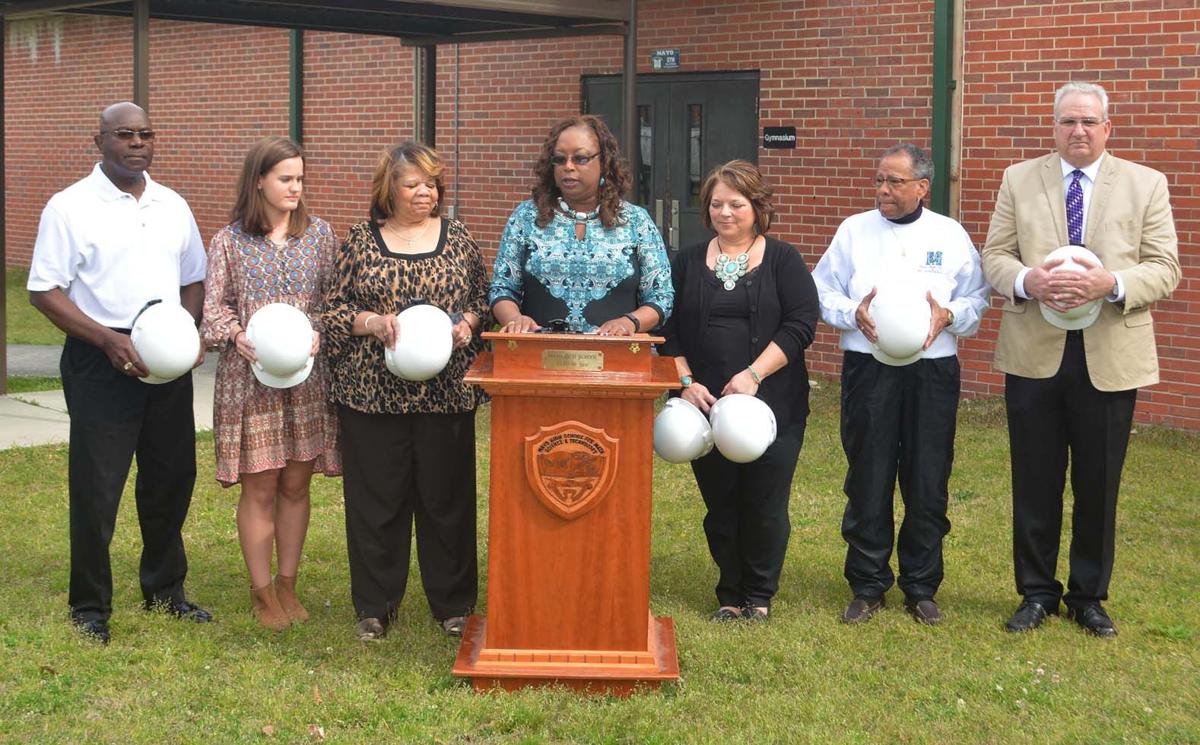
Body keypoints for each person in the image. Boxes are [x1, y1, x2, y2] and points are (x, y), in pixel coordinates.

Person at [982, 82, 1180, 638]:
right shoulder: (1019, 179)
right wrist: (1028, 279)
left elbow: (1165, 266)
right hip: (1034, 354)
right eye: (1069, 121)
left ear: (1107, 127)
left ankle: (1088, 596)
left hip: (1111, 356)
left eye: (1090, 121)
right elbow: (994, 254)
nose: (1079, 131)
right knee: (1035, 481)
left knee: (1099, 483)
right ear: (1054, 126)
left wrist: (1110, 282)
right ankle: (1037, 593)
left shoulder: (1146, 184)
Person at [27, 102, 212, 644]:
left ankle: (165, 590)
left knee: (171, 478)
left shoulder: (171, 204)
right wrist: (107, 340)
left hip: (165, 362)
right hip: (99, 359)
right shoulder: (69, 207)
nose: (137, 143)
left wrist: (186, 331)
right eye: (124, 134)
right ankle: (89, 606)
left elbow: (194, 278)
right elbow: (44, 290)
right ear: (99, 141)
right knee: (98, 487)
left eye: (145, 134)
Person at [812, 143, 989, 626]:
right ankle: (868, 584)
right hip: (869, 369)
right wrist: (854, 313)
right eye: (878, 180)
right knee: (868, 475)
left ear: (922, 187)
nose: (883, 190)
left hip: (932, 371)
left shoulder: (949, 235)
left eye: (893, 182)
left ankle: (921, 585)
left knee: (928, 477)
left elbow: (977, 296)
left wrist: (950, 315)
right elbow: (821, 288)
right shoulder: (854, 231)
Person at [322, 141, 488, 641]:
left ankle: (454, 605)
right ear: (388, 189)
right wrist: (371, 321)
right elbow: (333, 312)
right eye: (413, 183)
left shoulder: (457, 238)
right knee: (377, 502)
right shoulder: (360, 239)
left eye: (432, 183)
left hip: (446, 396)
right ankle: (375, 606)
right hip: (372, 396)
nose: (425, 193)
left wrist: (470, 323)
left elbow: (483, 295)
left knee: (447, 501)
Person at [660, 160, 819, 622]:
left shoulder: (783, 259)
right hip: (703, 405)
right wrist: (685, 382)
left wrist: (753, 374)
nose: (725, 213)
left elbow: (801, 323)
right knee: (721, 505)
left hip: (772, 404)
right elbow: (666, 328)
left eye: (736, 204)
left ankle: (760, 594)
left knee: (765, 503)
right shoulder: (687, 261)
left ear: (758, 207)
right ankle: (730, 593)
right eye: (716, 204)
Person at [200, 136, 341, 631]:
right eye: (286, 179)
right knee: (260, 485)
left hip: (306, 378)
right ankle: (261, 592)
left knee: (297, 483)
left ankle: (287, 583)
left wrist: (321, 331)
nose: (295, 188)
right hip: (250, 379)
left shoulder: (321, 237)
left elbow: (333, 299)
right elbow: (212, 308)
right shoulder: (229, 241)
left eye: (300, 179)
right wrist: (236, 334)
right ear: (259, 180)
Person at [489, 114, 673, 334]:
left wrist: (629, 322)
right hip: (537, 356)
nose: (568, 167)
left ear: (604, 161)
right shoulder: (526, 217)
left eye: (580, 158)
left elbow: (661, 296)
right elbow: (502, 288)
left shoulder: (636, 221)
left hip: (617, 357)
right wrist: (515, 319)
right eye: (559, 159)